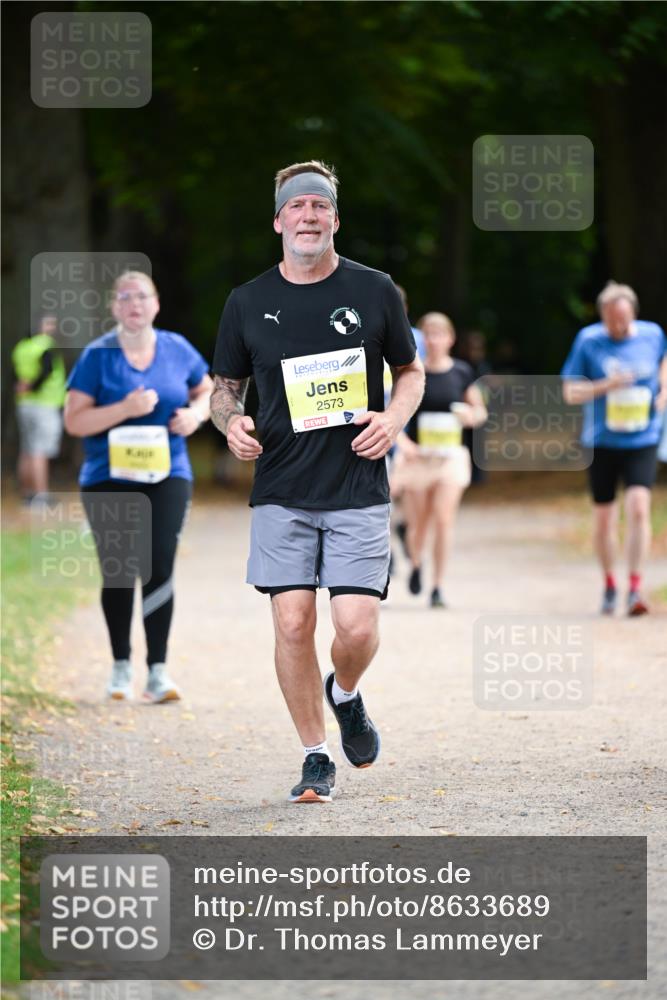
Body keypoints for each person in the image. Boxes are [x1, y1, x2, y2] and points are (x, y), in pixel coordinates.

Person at [211, 160, 424, 803]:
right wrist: (231, 424)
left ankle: (346, 693)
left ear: (336, 219)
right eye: (297, 206)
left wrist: (392, 417)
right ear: (278, 221)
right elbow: (224, 390)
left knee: (355, 628)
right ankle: (314, 754)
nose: (309, 216)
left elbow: (410, 373)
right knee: (293, 622)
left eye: (320, 206)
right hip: (281, 487)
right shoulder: (247, 301)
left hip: (357, 484)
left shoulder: (375, 290)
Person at [64, 271, 212, 701]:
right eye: (125, 298)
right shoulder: (97, 355)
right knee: (119, 569)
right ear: (114, 308)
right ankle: (120, 666)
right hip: (108, 477)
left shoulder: (176, 348)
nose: (134, 304)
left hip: (168, 473)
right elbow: (74, 421)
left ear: (156, 303)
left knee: (159, 564)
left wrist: (196, 416)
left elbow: (209, 392)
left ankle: (158, 671)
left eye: (142, 296)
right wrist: (124, 408)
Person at [561, 281, 667, 616]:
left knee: (638, 507)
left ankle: (636, 588)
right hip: (602, 441)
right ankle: (609, 584)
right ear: (603, 316)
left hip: (643, 437)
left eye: (622, 319)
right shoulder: (589, 340)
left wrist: (664, 391)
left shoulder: (652, 334)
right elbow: (570, 392)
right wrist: (606, 386)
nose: (617, 327)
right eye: (610, 320)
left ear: (633, 313)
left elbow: (665, 362)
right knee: (604, 518)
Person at [390, 312, 487, 607]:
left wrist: (471, 416)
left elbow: (480, 411)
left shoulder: (462, 372)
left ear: (450, 339)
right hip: (419, 458)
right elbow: (393, 415)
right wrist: (405, 445)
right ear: (421, 339)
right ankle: (417, 562)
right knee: (419, 523)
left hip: (451, 458)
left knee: (444, 520)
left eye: (440, 334)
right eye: (428, 335)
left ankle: (438, 586)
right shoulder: (410, 373)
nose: (434, 340)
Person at [12, 314, 66, 504]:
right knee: (39, 450)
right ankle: (41, 495)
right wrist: (34, 386)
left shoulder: (22, 347)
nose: (52, 327)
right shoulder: (46, 344)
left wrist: (24, 387)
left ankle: (27, 493)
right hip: (44, 404)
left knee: (27, 449)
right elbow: (46, 370)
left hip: (24, 404)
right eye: (49, 323)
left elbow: (16, 375)